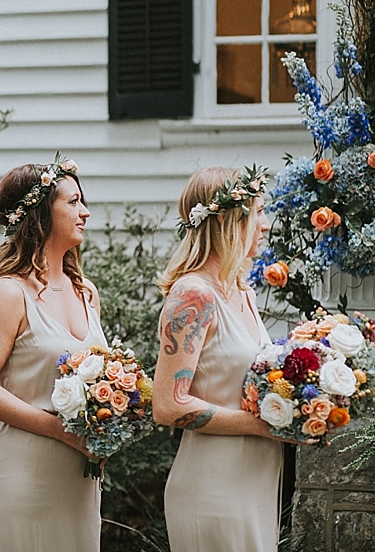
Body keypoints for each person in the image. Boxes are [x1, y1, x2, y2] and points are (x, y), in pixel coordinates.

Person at [153, 165, 309, 551]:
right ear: (226, 220)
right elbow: (169, 405)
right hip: (213, 490)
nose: (266, 224)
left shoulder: (243, 293)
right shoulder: (193, 296)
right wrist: (265, 425)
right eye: (257, 212)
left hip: (256, 484)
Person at [0, 158, 106, 551]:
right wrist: (59, 430)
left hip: (79, 475)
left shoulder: (85, 291)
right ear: (41, 214)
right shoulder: (8, 293)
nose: (85, 211)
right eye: (73, 202)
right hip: (23, 473)